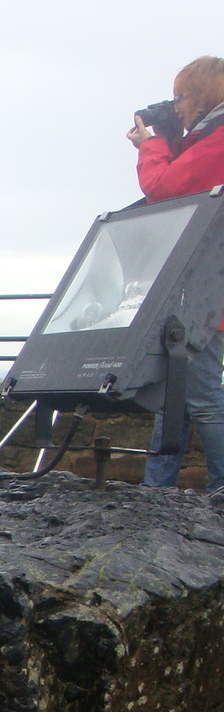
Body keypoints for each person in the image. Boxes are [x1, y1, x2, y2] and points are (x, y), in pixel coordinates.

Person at [129, 56, 224, 491]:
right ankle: (156, 492)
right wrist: (159, 143)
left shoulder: (219, 138)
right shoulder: (206, 138)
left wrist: (154, 143)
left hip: (205, 294)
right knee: (173, 403)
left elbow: (166, 191)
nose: (176, 105)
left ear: (202, 94)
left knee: (203, 399)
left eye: (181, 96)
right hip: (197, 288)